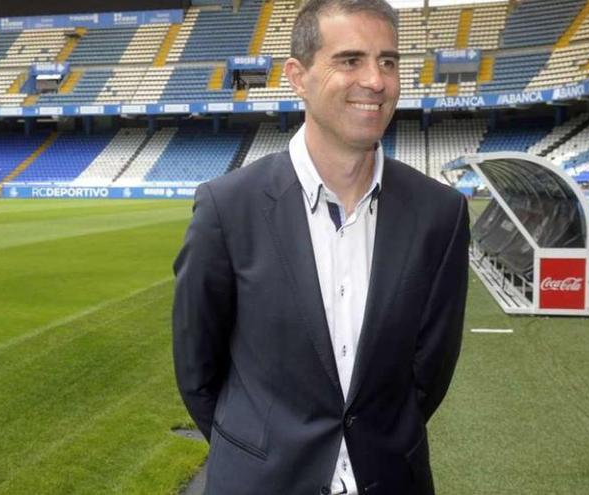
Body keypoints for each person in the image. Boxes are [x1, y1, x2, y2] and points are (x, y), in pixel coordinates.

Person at [172, 0, 469, 493]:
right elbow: (197, 371)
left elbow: (428, 376)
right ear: (298, 75)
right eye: (350, 60)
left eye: (388, 61)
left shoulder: (440, 214)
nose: (376, 80)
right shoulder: (227, 209)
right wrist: (263, 451)